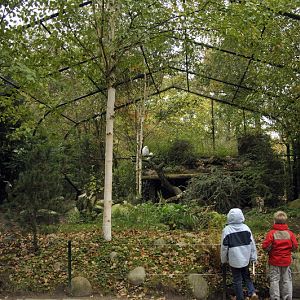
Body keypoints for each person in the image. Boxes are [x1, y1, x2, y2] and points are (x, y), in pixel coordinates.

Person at [221, 208, 258, 300]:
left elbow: (224, 247)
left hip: (234, 260)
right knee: (247, 276)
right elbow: (252, 244)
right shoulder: (246, 228)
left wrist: (223, 259)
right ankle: (252, 292)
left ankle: (240, 298)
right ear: (241, 216)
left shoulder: (227, 230)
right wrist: (254, 257)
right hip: (245, 258)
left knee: (237, 280)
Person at [262, 211, 298, 300]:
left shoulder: (271, 233)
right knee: (287, 280)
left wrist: (270, 250)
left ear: (274, 221)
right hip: (286, 261)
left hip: (274, 261)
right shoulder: (290, 233)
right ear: (285, 221)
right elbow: (295, 246)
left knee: (274, 280)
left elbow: (265, 246)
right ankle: (287, 298)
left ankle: (275, 298)